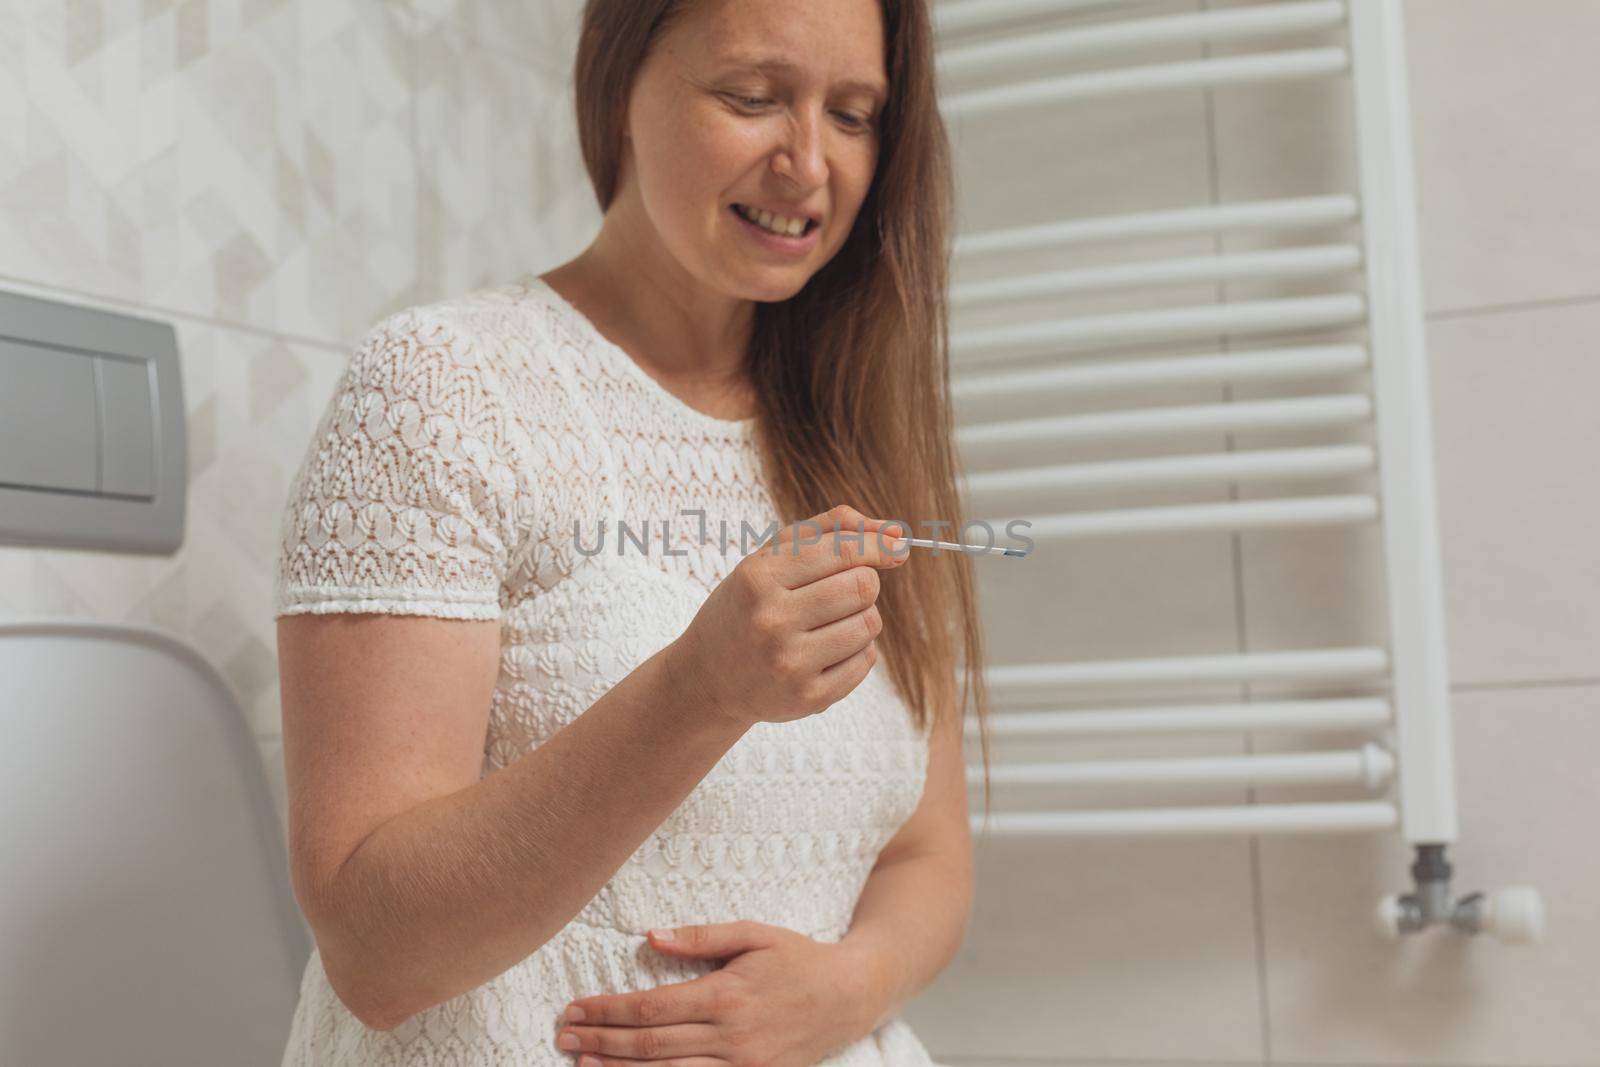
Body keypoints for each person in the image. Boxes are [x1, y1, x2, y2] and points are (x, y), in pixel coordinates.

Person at [272, 0, 991, 1062]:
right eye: (751, 97)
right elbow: (376, 952)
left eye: (853, 114)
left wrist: (845, 987)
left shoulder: (857, 435)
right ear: (616, 90)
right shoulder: (439, 391)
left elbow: (926, 852)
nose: (806, 161)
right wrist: (696, 691)